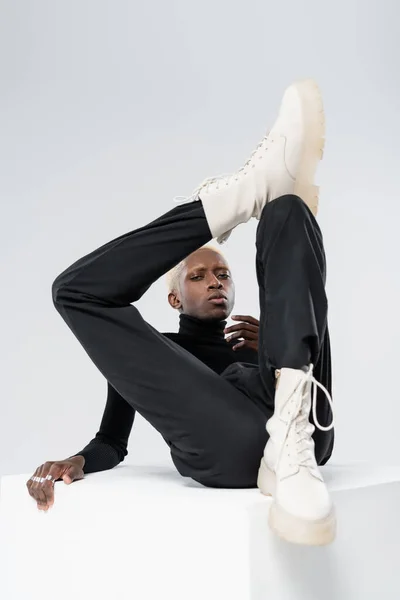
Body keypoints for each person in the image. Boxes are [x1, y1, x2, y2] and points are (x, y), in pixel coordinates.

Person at [26, 78, 335, 546]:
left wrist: (278, 344)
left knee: (290, 209)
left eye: (224, 275)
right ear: (174, 298)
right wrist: (77, 462)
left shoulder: (265, 335)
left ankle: (291, 435)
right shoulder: (159, 355)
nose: (215, 281)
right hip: (231, 443)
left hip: (305, 434)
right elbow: (112, 440)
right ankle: (242, 197)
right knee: (74, 292)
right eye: (197, 276)